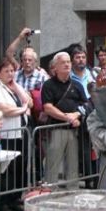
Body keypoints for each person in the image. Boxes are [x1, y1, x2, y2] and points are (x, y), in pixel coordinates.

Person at [0, 59, 31, 211]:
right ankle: (1, 202)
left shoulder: (12, 87)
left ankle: (14, 199)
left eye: (12, 71)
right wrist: (22, 109)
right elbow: (4, 109)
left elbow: (29, 102)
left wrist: (16, 87)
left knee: (19, 168)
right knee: (5, 170)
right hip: (5, 134)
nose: (10, 74)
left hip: (20, 133)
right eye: (6, 71)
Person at [41, 52, 87, 188]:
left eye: (68, 62)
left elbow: (85, 105)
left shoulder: (77, 85)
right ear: (55, 67)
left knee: (73, 164)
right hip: (56, 129)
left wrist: (77, 115)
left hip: (74, 130)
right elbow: (48, 108)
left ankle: (72, 191)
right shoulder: (48, 85)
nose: (67, 64)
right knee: (53, 163)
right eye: (63, 62)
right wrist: (67, 118)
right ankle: (50, 191)